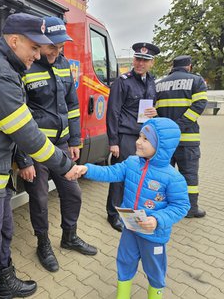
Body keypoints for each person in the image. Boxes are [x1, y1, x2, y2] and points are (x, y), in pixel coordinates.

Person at [0, 13, 83, 299]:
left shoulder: (4, 69)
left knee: (3, 232)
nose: (38, 55)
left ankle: (6, 281)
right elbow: (28, 135)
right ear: (14, 40)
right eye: (34, 47)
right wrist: (65, 166)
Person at [15, 16, 97, 273]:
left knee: (73, 193)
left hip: (61, 146)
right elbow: (15, 116)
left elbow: (72, 105)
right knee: (39, 199)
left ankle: (69, 236)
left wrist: (74, 139)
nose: (57, 51)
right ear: (40, 42)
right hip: (36, 149)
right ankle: (43, 244)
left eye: (61, 46)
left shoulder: (63, 66)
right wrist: (24, 159)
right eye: (53, 45)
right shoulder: (24, 67)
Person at [77, 117, 190, 299]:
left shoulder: (173, 177)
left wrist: (157, 220)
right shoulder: (131, 162)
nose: (138, 142)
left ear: (161, 146)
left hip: (154, 235)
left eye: (146, 139)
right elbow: (111, 172)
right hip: (131, 227)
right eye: (139, 136)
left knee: (154, 269)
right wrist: (87, 169)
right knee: (124, 261)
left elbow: (181, 206)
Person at [106, 42, 160, 232]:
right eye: (138, 59)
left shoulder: (152, 81)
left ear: (151, 62)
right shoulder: (123, 81)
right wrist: (113, 142)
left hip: (144, 136)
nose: (140, 63)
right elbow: (113, 111)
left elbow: (151, 106)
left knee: (139, 175)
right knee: (121, 175)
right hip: (126, 136)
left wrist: (154, 111)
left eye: (145, 60)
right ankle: (113, 214)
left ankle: (131, 209)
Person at [155, 55, 208, 218]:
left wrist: (168, 129)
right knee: (189, 175)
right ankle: (190, 209)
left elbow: (154, 110)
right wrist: (179, 126)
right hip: (187, 140)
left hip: (165, 141)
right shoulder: (197, 81)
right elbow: (199, 106)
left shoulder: (159, 85)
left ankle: (163, 205)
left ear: (173, 66)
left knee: (164, 175)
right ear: (189, 66)